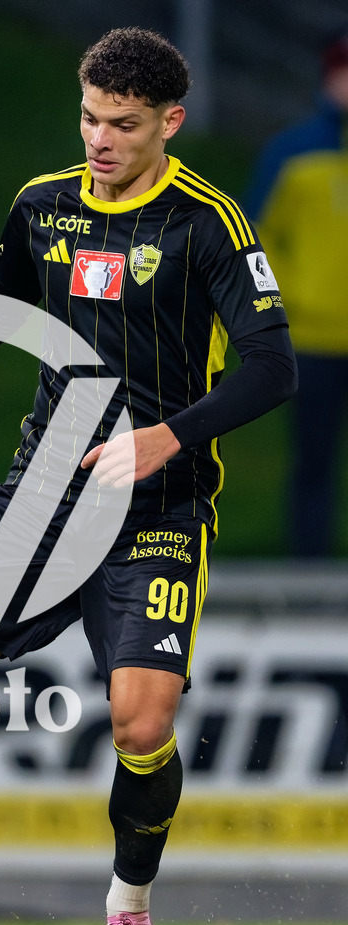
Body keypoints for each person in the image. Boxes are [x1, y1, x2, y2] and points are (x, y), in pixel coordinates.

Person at [0, 27, 297, 925]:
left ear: (169, 122)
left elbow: (274, 369)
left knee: (141, 722)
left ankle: (129, 909)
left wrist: (168, 436)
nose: (100, 138)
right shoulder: (42, 208)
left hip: (159, 509)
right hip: (44, 500)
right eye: (89, 116)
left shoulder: (209, 222)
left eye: (123, 124)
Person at [245, 30, 348, 557]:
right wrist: (285, 302)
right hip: (311, 335)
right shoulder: (292, 151)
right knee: (313, 457)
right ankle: (310, 566)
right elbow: (256, 238)